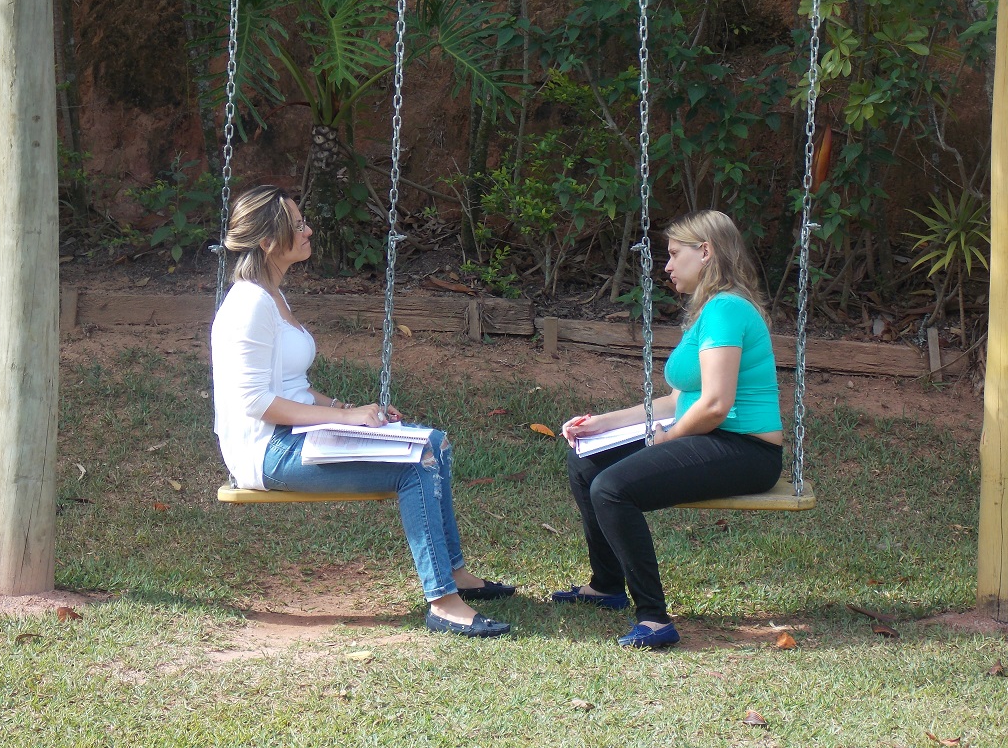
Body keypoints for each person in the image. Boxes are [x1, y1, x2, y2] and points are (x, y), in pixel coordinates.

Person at [210, 185, 515, 639]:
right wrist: (344, 420)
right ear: (268, 242)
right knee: (415, 462)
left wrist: (347, 409)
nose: (308, 231)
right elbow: (257, 403)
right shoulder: (249, 304)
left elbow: (294, 387)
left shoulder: (273, 296)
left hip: (294, 437)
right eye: (298, 225)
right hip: (268, 451)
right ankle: (444, 603)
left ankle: (456, 573)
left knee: (434, 442)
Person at [556, 210, 783, 648]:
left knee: (612, 489)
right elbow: (679, 400)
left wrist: (669, 437)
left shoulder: (726, 310)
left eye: (675, 254)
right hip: (713, 436)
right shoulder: (711, 311)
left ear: (706, 252)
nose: (667, 266)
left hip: (746, 450)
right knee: (586, 461)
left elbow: (715, 405)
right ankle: (606, 585)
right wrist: (603, 423)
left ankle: (655, 620)